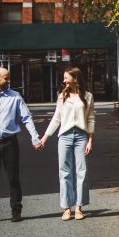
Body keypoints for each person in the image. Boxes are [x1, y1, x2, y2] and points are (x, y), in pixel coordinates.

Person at [0, 67, 42, 223]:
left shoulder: (15, 97)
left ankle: (16, 210)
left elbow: (27, 118)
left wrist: (35, 138)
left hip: (10, 142)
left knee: (13, 178)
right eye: (6, 78)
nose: (9, 81)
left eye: (9, 78)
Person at [38, 67, 95, 220]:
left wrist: (90, 140)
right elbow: (56, 118)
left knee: (81, 171)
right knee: (65, 172)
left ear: (75, 79)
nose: (64, 81)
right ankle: (66, 208)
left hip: (81, 136)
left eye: (66, 77)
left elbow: (91, 119)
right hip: (65, 137)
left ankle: (79, 207)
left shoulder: (88, 96)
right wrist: (44, 137)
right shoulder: (62, 96)